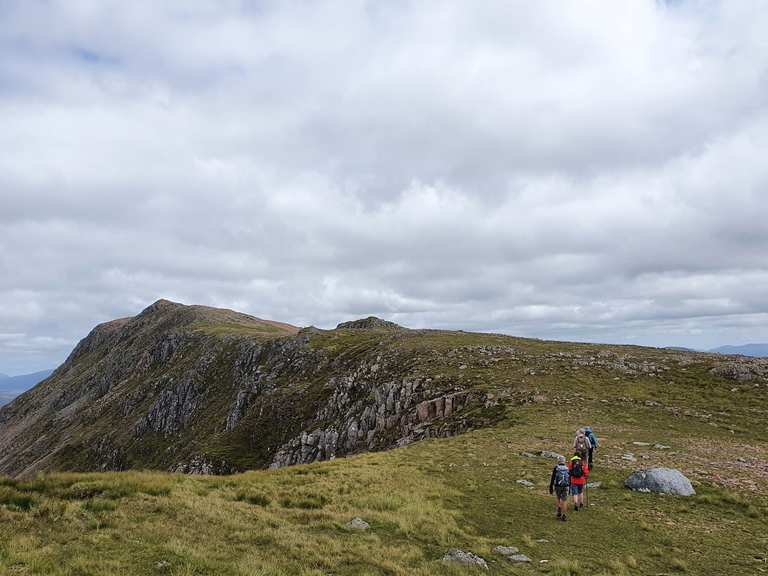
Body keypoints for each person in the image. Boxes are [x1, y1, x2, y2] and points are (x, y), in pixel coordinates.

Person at [548, 455, 570, 521]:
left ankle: (559, 511)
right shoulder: (567, 468)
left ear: (558, 461)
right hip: (566, 486)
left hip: (558, 486)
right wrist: (569, 486)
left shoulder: (556, 468)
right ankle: (564, 515)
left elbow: (553, 478)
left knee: (558, 498)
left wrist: (551, 487)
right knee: (565, 500)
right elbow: (569, 478)